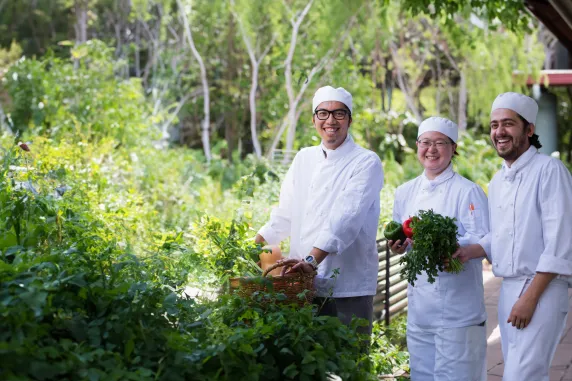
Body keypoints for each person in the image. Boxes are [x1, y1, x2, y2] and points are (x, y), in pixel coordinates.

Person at [453, 92, 572, 381]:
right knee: (523, 373)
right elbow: (501, 236)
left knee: (523, 375)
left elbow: (561, 241)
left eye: (508, 124)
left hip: (543, 288)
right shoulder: (497, 181)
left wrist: (529, 298)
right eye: (494, 125)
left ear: (529, 129)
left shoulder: (550, 171)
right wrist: (464, 252)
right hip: (509, 289)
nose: (499, 131)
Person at [254, 86, 384, 335]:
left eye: (339, 114)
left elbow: (345, 218)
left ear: (350, 120)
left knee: (350, 362)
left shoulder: (366, 161)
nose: (330, 121)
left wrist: (311, 260)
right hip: (300, 282)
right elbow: (285, 212)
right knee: (309, 363)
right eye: (323, 113)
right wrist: (253, 246)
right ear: (314, 119)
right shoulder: (304, 158)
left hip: (348, 283)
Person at [389, 117, 489, 381]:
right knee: (422, 376)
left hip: (459, 313)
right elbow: (401, 238)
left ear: (453, 147)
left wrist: (462, 250)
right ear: (417, 145)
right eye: (425, 142)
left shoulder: (469, 192)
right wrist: (397, 246)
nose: (431, 149)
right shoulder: (405, 192)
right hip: (420, 313)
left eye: (440, 143)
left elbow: (487, 239)